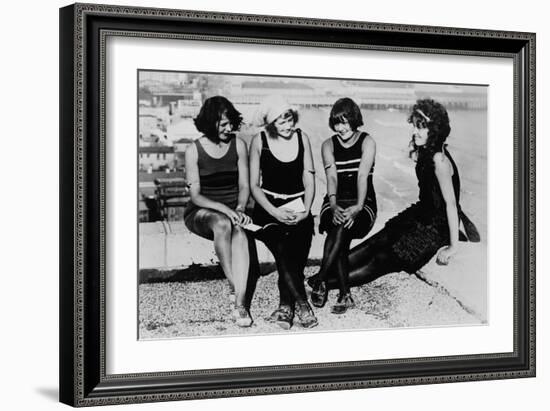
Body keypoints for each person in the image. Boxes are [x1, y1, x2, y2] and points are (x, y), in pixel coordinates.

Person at [308, 98, 479, 290]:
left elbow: (451, 204)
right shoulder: (426, 152)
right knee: (377, 242)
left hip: (435, 228)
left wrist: (453, 246)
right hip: (419, 215)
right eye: (414, 126)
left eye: (421, 128)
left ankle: (323, 283)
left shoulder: (439, 159)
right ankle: (321, 275)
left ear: (435, 130)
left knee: (381, 259)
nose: (415, 131)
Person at [184, 96, 255, 327]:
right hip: (203, 212)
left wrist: (241, 207)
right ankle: (234, 284)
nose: (229, 128)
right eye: (223, 124)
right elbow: (196, 196)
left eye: (231, 123)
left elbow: (244, 186)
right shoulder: (193, 150)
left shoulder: (239, 145)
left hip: (235, 209)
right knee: (223, 223)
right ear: (209, 122)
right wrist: (225, 209)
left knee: (241, 233)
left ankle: (240, 304)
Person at [249, 95, 318, 329]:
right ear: (270, 125)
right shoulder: (259, 141)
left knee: (295, 256)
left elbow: (309, 177)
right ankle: (302, 304)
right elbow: (253, 186)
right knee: (282, 249)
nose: (288, 126)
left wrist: (307, 210)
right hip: (268, 210)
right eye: (281, 122)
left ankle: (284, 306)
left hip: (299, 208)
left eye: (289, 119)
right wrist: (275, 213)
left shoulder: (302, 138)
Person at [311, 98, 377, 314]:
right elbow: (331, 178)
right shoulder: (328, 145)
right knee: (340, 229)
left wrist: (358, 206)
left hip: (363, 200)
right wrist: (332, 204)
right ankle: (344, 294)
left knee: (341, 229)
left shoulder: (367, 142)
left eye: (345, 121)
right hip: (335, 199)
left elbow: (362, 176)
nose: (341, 128)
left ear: (354, 119)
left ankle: (321, 279)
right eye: (337, 123)